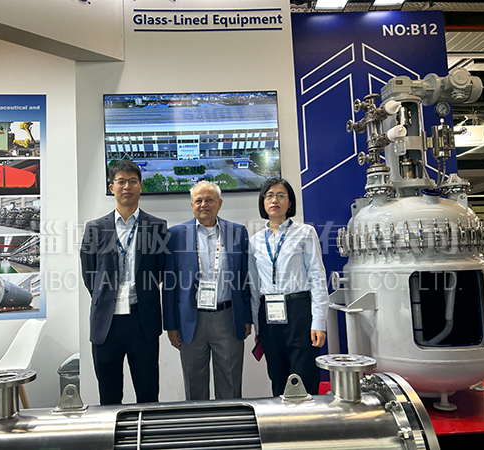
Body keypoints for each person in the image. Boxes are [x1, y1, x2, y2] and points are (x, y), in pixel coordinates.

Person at [80, 160, 167, 405]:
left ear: (141, 186)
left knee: (148, 394)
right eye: (121, 181)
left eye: (132, 181)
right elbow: (89, 274)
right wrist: (107, 299)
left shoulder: (157, 227)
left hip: (143, 321)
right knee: (109, 396)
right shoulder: (95, 228)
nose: (126, 186)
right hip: (106, 324)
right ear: (112, 187)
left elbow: (160, 270)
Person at [163, 181, 251, 400]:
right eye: (199, 200)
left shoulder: (238, 232)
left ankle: (229, 422)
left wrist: (247, 318)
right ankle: (197, 423)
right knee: (194, 387)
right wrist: (171, 325)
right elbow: (169, 284)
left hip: (228, 318)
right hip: (190, 320)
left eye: (209, 200)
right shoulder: (175, 235)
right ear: (192, 204)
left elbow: (245, 278)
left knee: (230, 385)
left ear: (219, 203)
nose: (204, 204)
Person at [248, 177, 329, 396]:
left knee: (303, 376)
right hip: (269, 314)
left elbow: (317, 278)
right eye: (269, 196)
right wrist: (258, 327)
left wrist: (319, 322)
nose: (275, 200)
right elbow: (254, 286)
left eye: (281, 195)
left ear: (290, 202)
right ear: (263, 202)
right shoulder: (255, 241)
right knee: (277, 376)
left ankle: (307, 418)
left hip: (299, 311)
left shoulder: (305, 233)